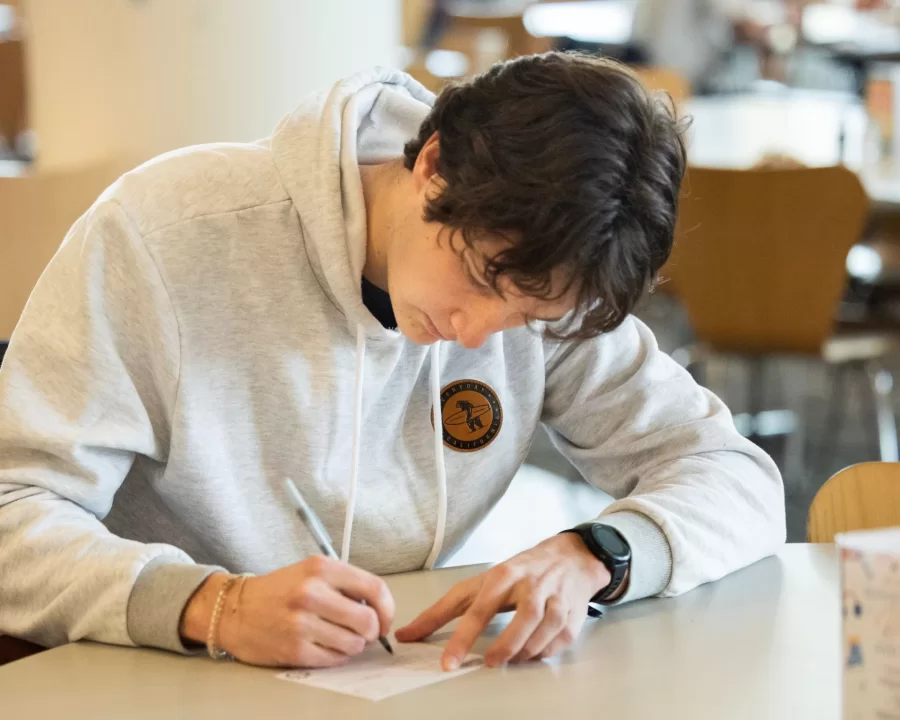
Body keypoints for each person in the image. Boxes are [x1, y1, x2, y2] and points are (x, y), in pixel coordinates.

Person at [0, 52, 784, 671]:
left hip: (383, 679)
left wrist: (599, 554)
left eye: (526, 317)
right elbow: (13, 512)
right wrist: (215, 605)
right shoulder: (163, 237)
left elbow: (733, 474)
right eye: (478, 279)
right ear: (433, 163)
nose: (482, 335)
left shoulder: (550, 274)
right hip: (146, 678)